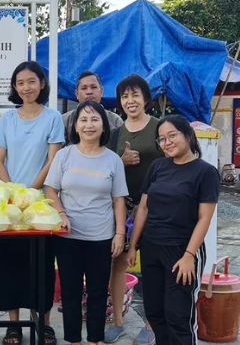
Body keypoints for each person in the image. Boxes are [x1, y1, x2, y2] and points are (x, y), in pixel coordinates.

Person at [126, 114, 220, 345]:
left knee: (179, 316)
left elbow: (204, 219)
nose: (166, 142)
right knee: (155, 312)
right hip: (151, 248)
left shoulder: (205, 172)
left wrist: (189, 256)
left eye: (172, 136)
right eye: (161, 139)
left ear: (187, 135)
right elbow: (144, 208)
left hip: (181, 252)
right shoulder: (158, 167)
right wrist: (132, 246)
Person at [0, 61, 65, 345]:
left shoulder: (53, 117)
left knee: (42, 264)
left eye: (31, 81)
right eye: (20, 83)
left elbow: (53, 159)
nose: (26, 87)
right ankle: (14, 325)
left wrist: (31, 193)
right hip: (9, 204)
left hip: (41, 203)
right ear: (15, 87)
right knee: (10, 264)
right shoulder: (7, 119)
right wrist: (12, 193)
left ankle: (44, 324)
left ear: (42, 84)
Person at [45, 101, 128, 345]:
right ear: (75, 126)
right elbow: (50, 190)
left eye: (94, 120)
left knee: (98, 292)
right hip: (68, 237)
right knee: (69, 292)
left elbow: (119, 200)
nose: (89, 125)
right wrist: (60, 213)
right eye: (83, 120)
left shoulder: (113, 160)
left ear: (104, 127)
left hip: (101, 237)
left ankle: (94, 340)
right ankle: (73, 340)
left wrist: (120, 234)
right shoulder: (64, 155)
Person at [104, 74, 161, 345]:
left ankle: (150, 325)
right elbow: (103, 169)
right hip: (122, 207)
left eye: (135, 94)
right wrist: (119, 160)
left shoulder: (161, 128)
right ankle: (117, 320)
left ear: (146, 98)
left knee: (151, 265)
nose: (130, 100)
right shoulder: (115, 134)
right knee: (118, 263)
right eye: (125, 96)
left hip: (154, 207)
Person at [62, 71, 123, 144]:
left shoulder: (115, 121)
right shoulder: (64, 120)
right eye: (84, 88)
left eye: (93, 87)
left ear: (102, 91)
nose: (89, 92)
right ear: (77, 94)